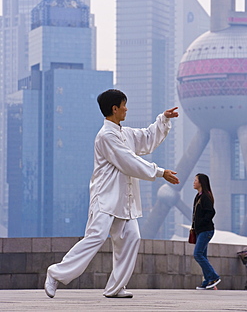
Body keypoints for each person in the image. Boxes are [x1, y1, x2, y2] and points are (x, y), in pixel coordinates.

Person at [44, 89, 180, 299]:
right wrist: (160, 172)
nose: (127, 108)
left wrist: (163, 119)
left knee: (132, 237)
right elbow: (129, 161)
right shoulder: (106, 136)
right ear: (114, 108)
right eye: (124, 104)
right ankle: (55, 274)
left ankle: (115, 288)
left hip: (124, 200)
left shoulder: (124, 133)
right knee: (96, 237)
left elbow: (146, 138)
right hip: (105, 198)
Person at [192, 173, 221, 290]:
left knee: (197, 254)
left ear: (201, 182)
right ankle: (207, 282)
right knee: (202, 255)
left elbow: (211, 212)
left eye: (195, 180)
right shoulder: (198, 196)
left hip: (206, 230)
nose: (193, 182)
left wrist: (201, 223)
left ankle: (213, 277)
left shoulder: (205, 197)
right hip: (200, 231)